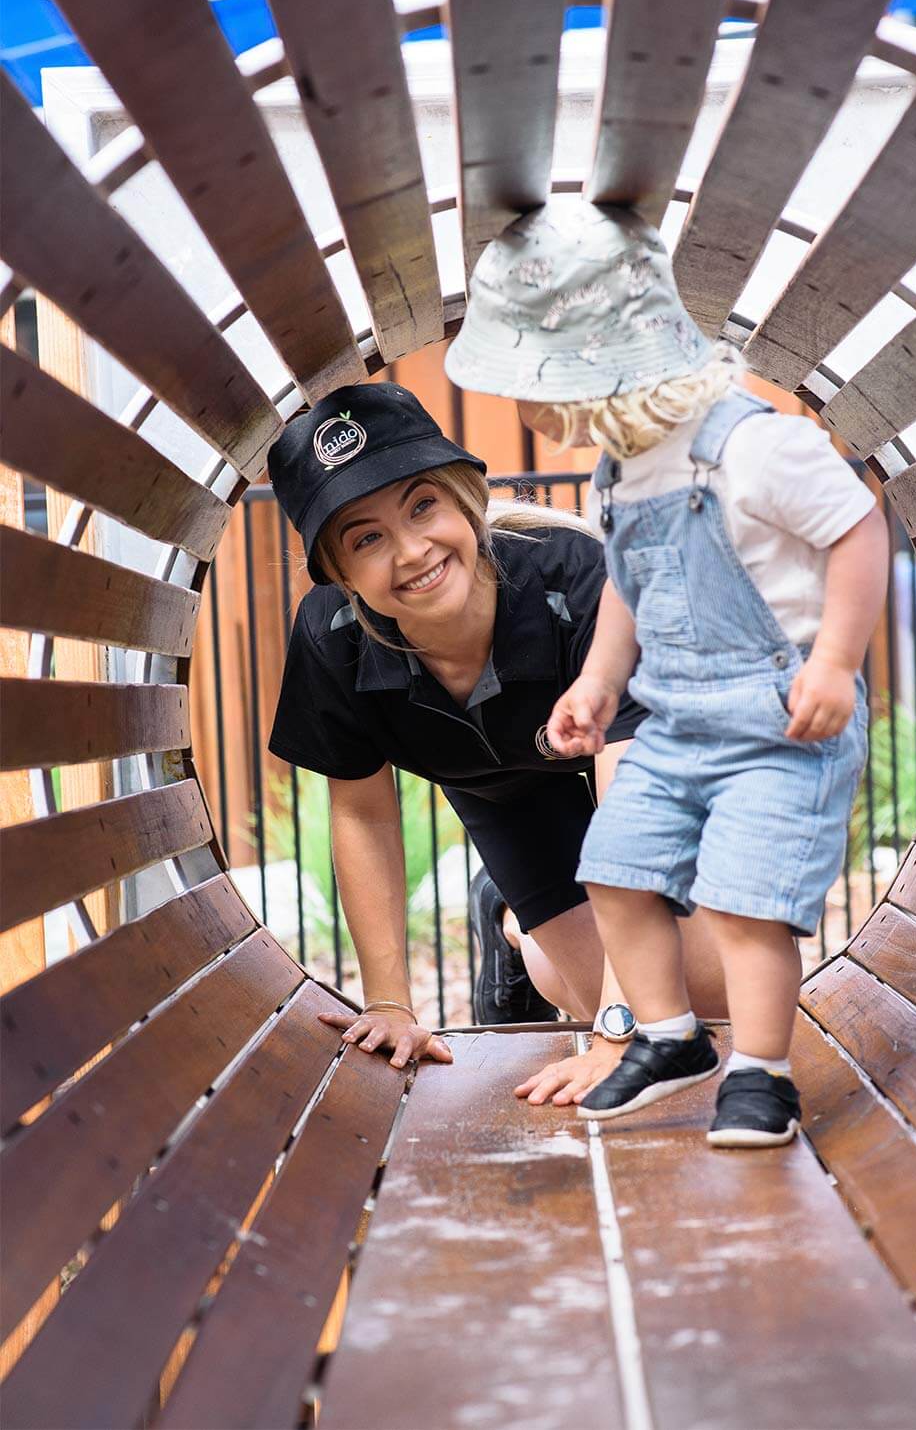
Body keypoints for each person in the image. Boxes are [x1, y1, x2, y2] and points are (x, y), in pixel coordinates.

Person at [444, 197, 886, 1146]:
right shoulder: (622, 471)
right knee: (614, 870)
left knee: (741, 896)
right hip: (679, 717)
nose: (528, 413)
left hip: (782, 716)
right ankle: (672, 1037)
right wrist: (599, 684)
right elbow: (628, 589)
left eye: (540, 390)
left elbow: (856, 529)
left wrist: (838, 663)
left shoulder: (755, 445)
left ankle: (762, 1073)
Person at [267, 381, 728, 1105]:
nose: (412, 549)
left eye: (423, 505)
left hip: (654, 776)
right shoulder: (333, 637)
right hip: (503, 792)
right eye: (367, 537)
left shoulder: (578, 578)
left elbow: (643, 807)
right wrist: (390, 1004)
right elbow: (362, 813)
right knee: (590, 981)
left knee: (706, 994)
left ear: (465, 502)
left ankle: (530, 932)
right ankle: (514, 921)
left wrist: (617, 1034)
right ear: (339, 572)